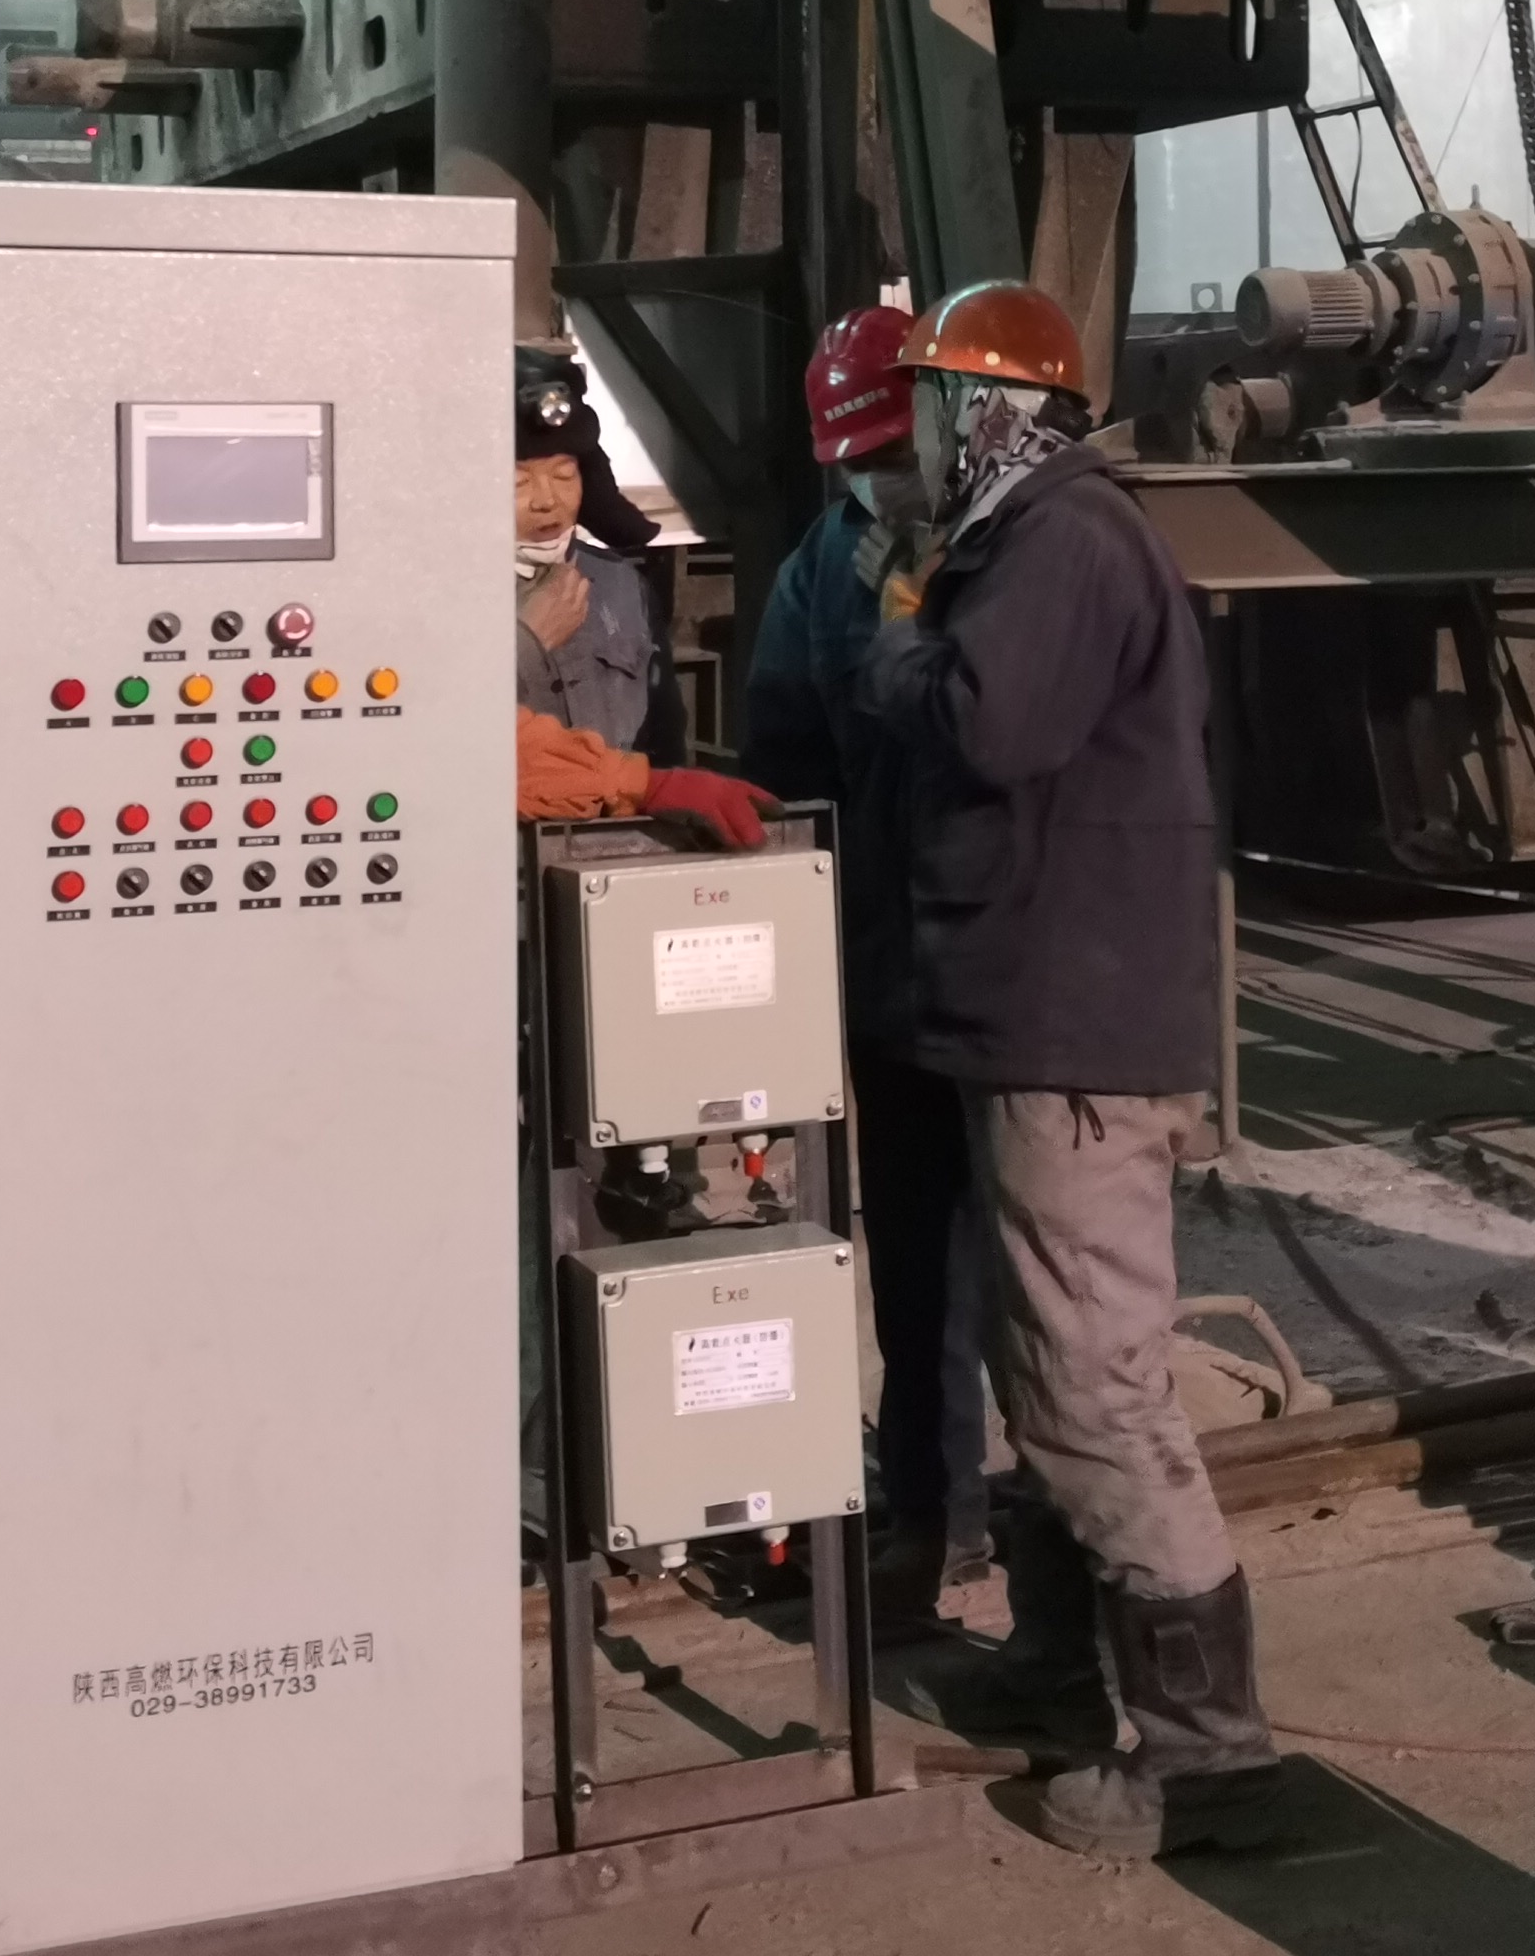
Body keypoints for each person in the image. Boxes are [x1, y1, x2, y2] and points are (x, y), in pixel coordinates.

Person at [860, 279, 1281, 1862]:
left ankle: (1211, 1758)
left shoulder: (1062, 542)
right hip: (1034, 1015)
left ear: (991, 411)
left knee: (1097, 1382)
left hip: (1074, 1033)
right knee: (1044, 1365)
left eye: (929, 404)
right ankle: (1055, 1670)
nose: (911, 436)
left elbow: (991, 724)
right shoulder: (1025, 537)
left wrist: (897, 643)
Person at [741, 304, 984, 1622]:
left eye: (894, 453)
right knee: (915, 1265)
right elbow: (784, 765)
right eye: (857, 462)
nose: (880, 481)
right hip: (889, 973)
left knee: (1046, 1280)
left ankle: (1060, 1555)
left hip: (1016, 972)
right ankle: (929, 1520)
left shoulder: (1016, 549)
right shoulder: (816, 573)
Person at [513, 341, 684, 768]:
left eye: (564, 475)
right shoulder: (435, 596)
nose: (546, 501)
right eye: (518, 483)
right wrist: (526, 643)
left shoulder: (622, 584)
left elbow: (664, 742)